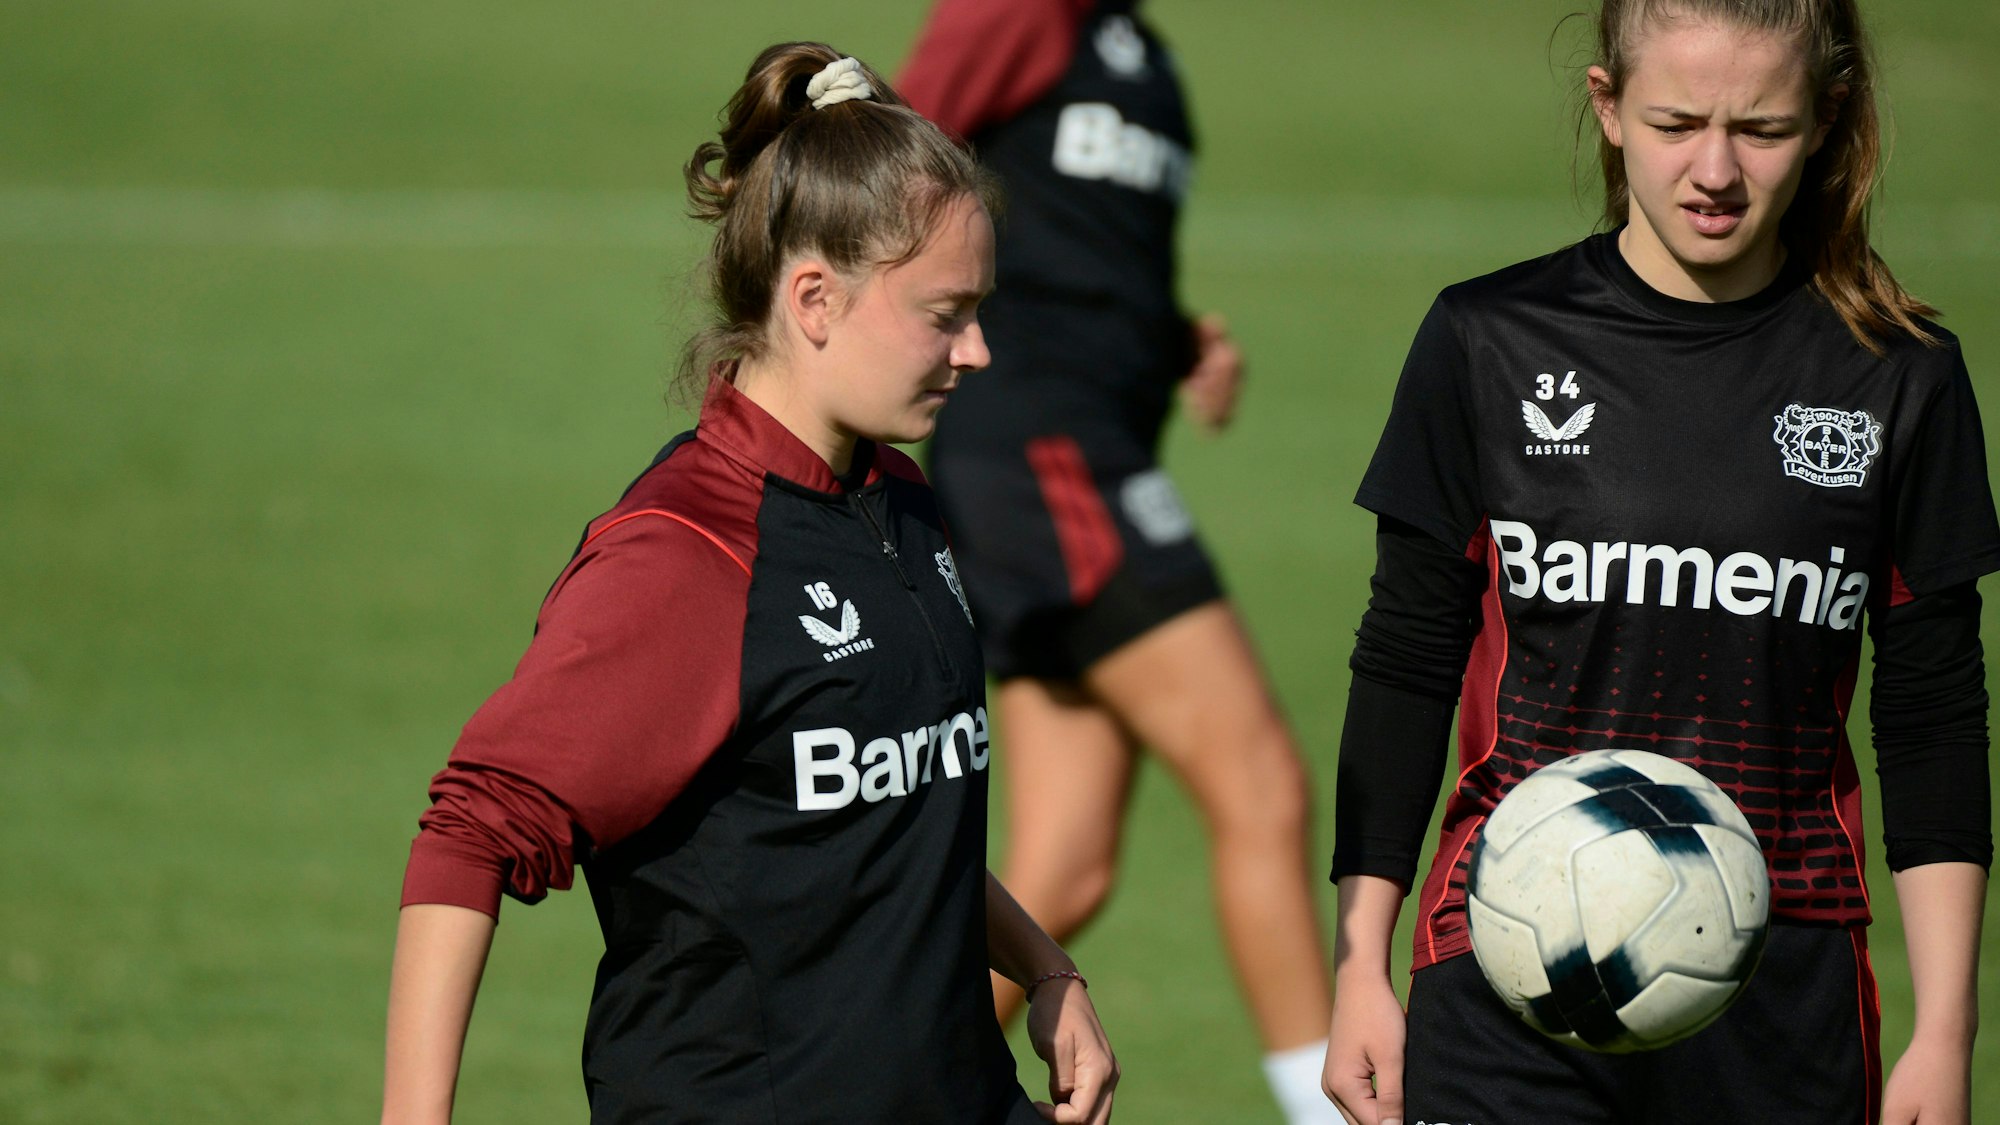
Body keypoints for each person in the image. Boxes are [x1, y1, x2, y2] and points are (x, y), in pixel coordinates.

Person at [380, 44, 1118, 1125]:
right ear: (814, 298)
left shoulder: (901, 503)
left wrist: (1043, 965)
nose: (977, 353)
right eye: (943, 314)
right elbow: (471, 830)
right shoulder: (685, 555)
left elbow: (894, 818)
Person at [1323, 1, 1997, 1122]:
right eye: (1676, 121)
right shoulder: (1486, 342)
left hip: (1780, 998)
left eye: (1763, 129)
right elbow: (1402, 664)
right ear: (1608, 108)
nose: (1716, 170)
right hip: (1502, 978)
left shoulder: (1896, 376)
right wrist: (1356, 962)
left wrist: (1945, 1030)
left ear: (1827, 121)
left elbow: (1931, 712)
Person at [895, 3, 1341, 1122]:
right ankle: (1337, 1110)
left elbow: (1072, 247)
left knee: (1063, 867)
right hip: (1041, 461)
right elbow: (880, 174)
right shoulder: (1021, 9)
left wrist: (1176, 337)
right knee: (1261, 785)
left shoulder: (1128, 41)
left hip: (1068, 457)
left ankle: (869, 1099)